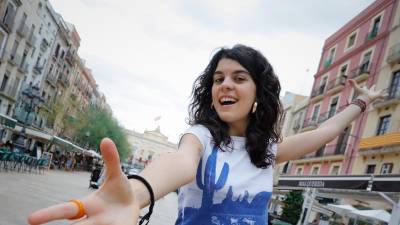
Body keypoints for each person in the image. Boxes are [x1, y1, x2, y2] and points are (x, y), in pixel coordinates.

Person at [27, 44, 386, 225]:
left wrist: (360, 102)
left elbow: (325, 131)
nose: (225, 84)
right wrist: (136, 195)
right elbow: (180, 164)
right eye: (218, 79)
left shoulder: (268, 150)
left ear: (259, 92)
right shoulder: (199, 136)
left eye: (239, 77)